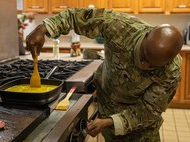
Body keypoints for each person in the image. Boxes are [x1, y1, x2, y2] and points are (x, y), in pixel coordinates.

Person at [25, 8, 183, 142]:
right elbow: (74, 17)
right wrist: (43, 29)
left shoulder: (171, 71)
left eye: (152, 65)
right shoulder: (119, 26)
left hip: (141, 133)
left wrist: (109, 122)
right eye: (143, 56)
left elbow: (148, 111)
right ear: (146, 35)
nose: (144, 65)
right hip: (106, 111)